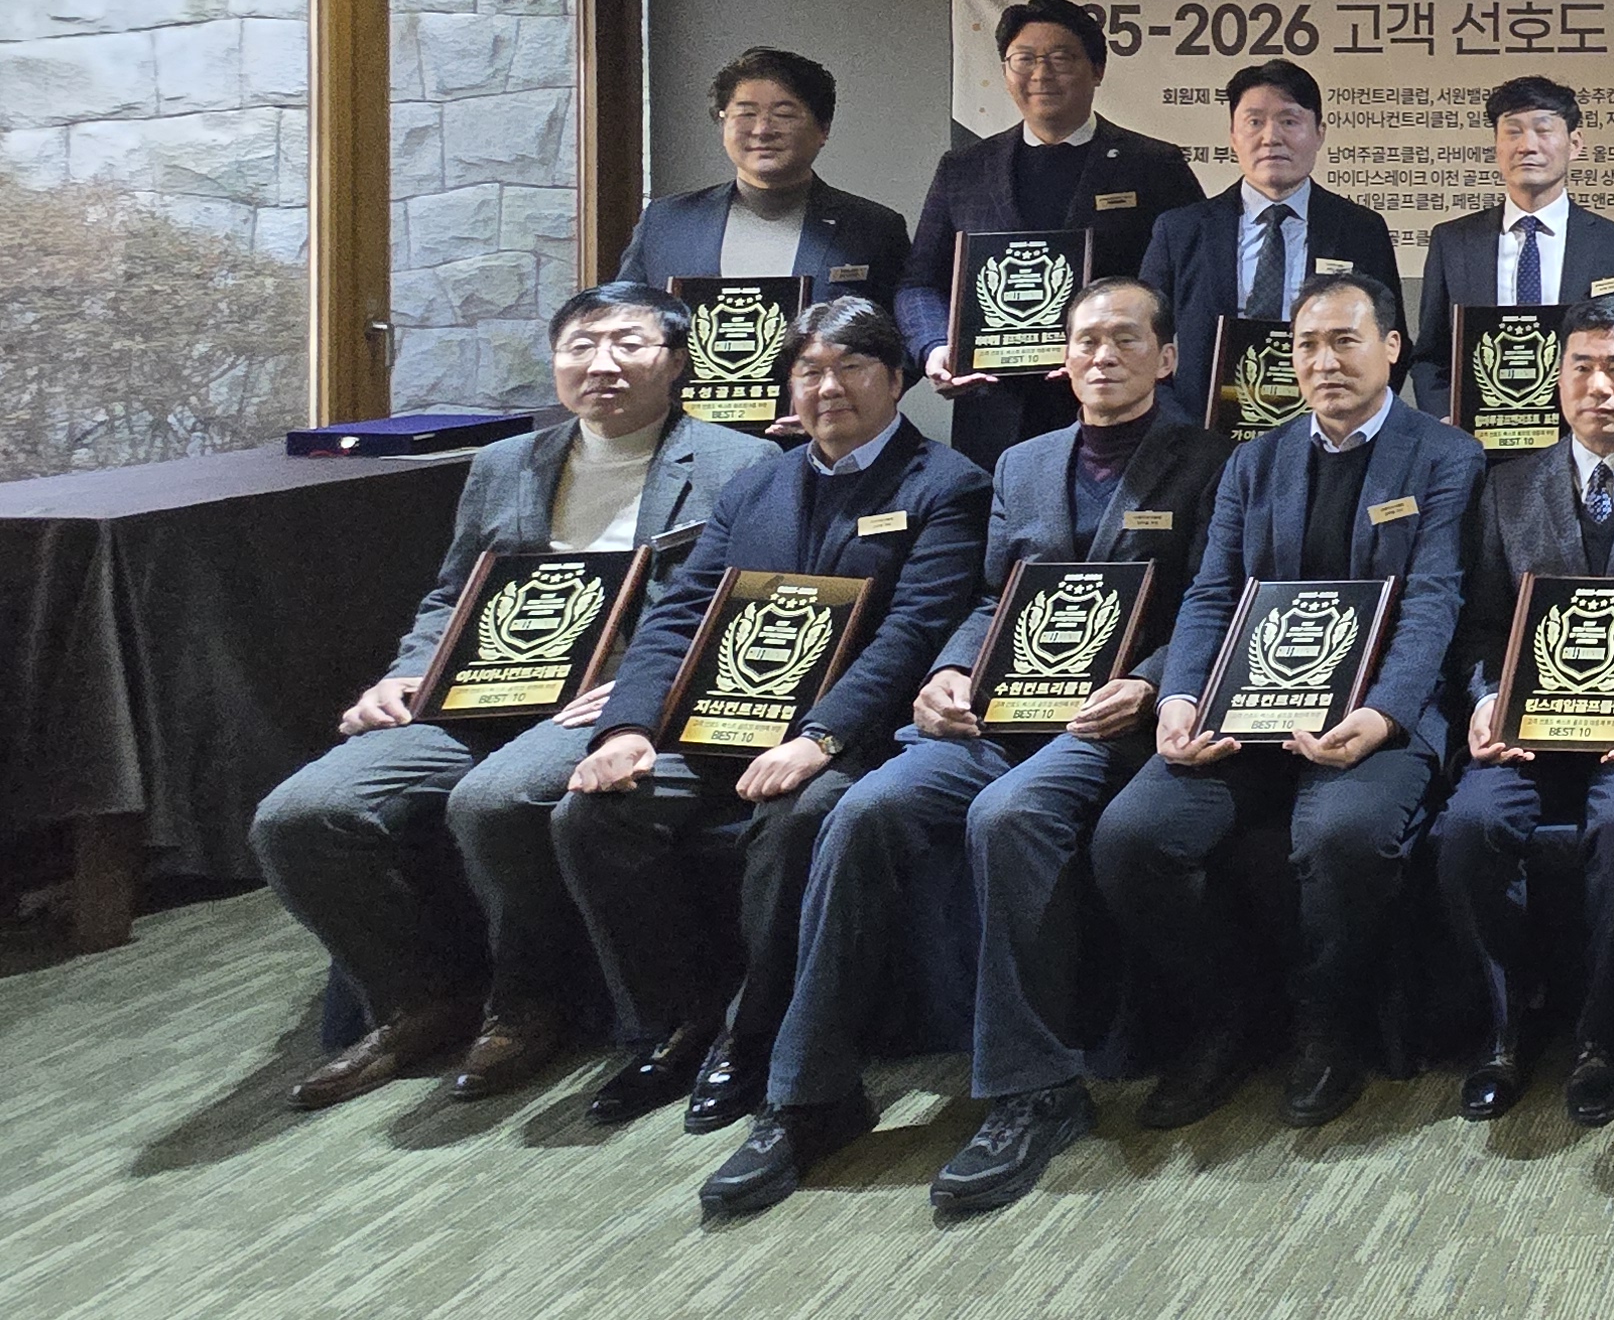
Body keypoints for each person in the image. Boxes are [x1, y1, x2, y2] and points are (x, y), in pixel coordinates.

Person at [702, 276, 1229, 1218]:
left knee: (1008, 814)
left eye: (1124, 339)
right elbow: (993, 597)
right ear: (1062, 357)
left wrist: (1153, 682)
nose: (1102, 357)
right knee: (864, 809)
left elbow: (1208, 596)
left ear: (1167, 356)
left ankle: (1036, 1089)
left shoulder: (1213, 460)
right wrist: (947, 672)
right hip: (996, 707)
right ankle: (810, 1094)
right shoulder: (1022, 463)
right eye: (1085, 341)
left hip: (1109, 720)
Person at [251, 284, 776, 1110]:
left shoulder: (740, 465)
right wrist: (405, 673)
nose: (601, 364)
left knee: (496, 800)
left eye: (629, 344)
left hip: (607, 703)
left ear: (677, 361)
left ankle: (526, 1008)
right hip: (474, 691)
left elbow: (746, 609)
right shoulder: (504, 464)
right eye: (580, 346)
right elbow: (451, 595)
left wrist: (645, 688)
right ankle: (418, 999)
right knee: (301, 815)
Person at [552, 296, 993, 1134]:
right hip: (722, 726)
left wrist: (820, 737)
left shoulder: (948, 485)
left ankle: (752, 1036)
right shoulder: (756, 482)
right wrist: (629, 728)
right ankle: (677, 1024)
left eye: (851, 367)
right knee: (592, 815)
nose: (829, 387)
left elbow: (913, 633)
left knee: (798, 819)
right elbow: (680, 615)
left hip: (856, 735)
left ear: (897, 378)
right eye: (809, 370)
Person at [1097, 267, 1483, 1130]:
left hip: (1377, 717)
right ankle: (1228, 1015)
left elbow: (1435, 600)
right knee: (1132, 837)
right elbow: (1211, 594)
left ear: (1391, 348)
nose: (1324, 362)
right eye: (1307, 345)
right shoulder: (1253, 459)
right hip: (1243, 714)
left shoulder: (1444, 456)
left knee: (1345, 837)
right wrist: (1178, 698)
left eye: (1345, 341)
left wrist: (1381, 713)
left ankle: (1328, 1025)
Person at [1435, 293, 1614, 1129]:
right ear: (1558, 378)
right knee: (1466, 832)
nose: (1600, 386)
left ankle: (1601, 1037)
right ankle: (1507, 1026)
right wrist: (1485, 699)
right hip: (1527, 733)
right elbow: (1482, 624)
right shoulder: (1506, 486)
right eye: (1582, 368)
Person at [900, 0, 1208, 465]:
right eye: (1024, 59)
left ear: (1097, 70)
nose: (1041, 74)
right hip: (994, 414)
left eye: (1061, 58)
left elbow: (1193, 281)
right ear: (1006, 72)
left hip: (1122, 412)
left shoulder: (1153, 165)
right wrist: (936, 347)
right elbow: (920, 281)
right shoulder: (965, 169)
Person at [1143, 56, 1401, 425]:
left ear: (1319, 133)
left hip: (1327, 431)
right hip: (1202, 435)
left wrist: (1353, 418)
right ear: (1233, 136)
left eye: (1289, 121)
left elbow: (1390, 340)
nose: (1271, 138)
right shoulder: (1181, 231)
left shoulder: (1361, 230)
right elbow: (1148, 339)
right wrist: (1175, 423)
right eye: (1254, 122)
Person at [1409, 75, 1614, 415]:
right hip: (1476, 434)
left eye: (1543, 131)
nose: (1527, 145)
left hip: (1587, 430)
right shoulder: (1453, 242)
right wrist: (1446, 421)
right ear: (1496, 146)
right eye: (1513, 132)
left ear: (1574, 144)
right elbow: (1431, 356)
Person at [609, 47, 912, 300]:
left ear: (823, 129)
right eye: (746, 114)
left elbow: (899, 340)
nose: (762, 130)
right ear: (723, 125)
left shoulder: (874, 229)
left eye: (784, 114)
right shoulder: (666, 222)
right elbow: (622, 320)